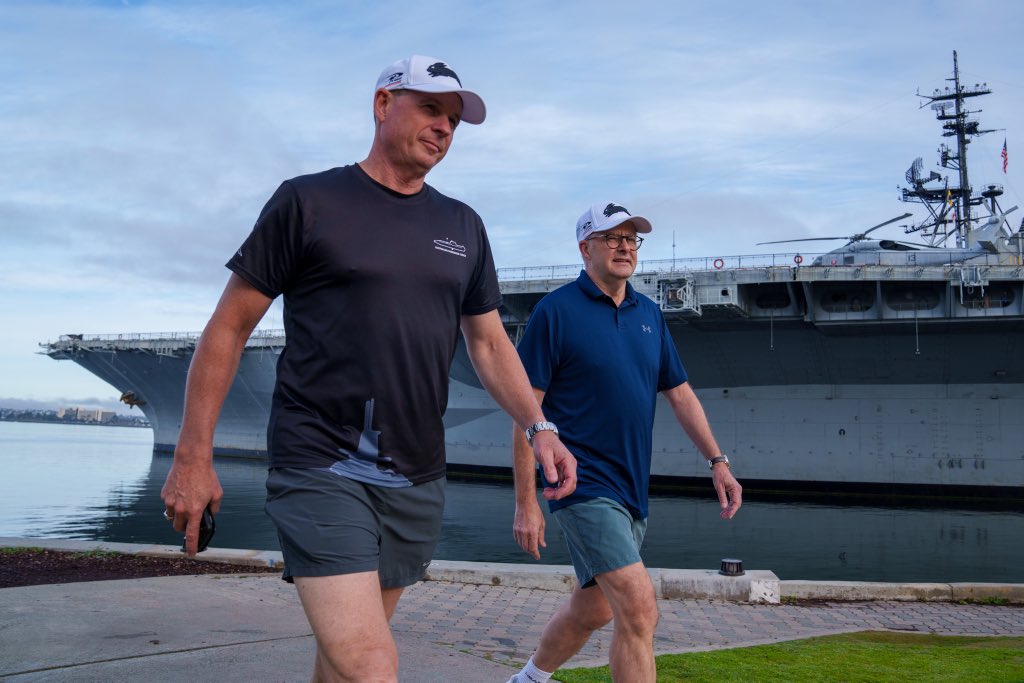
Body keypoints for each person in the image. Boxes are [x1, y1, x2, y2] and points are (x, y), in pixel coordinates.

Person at [160, 55, 577, 683]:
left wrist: (539, 427)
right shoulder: (308, 200)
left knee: (342, 665)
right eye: (431, 108)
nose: (445, 127)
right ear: (383, 104)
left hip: (415, 473)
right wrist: (194, 456)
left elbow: (490, 344)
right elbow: (229, 327)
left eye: (454, 119)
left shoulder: (463, 225)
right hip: (320, 461)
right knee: (371, 664)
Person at [507, 202, 742, 683]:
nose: (624, 247)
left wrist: (717, 460)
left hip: (632, 487)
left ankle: (527, 679)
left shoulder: (649, 313)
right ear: (585, 247)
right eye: (612, 237)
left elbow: (680, 394)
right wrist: (525, 503)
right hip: (580, 484)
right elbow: (525, 415)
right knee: (639, 608)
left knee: (594, 609)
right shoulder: (555, 311)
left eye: (631, 239)